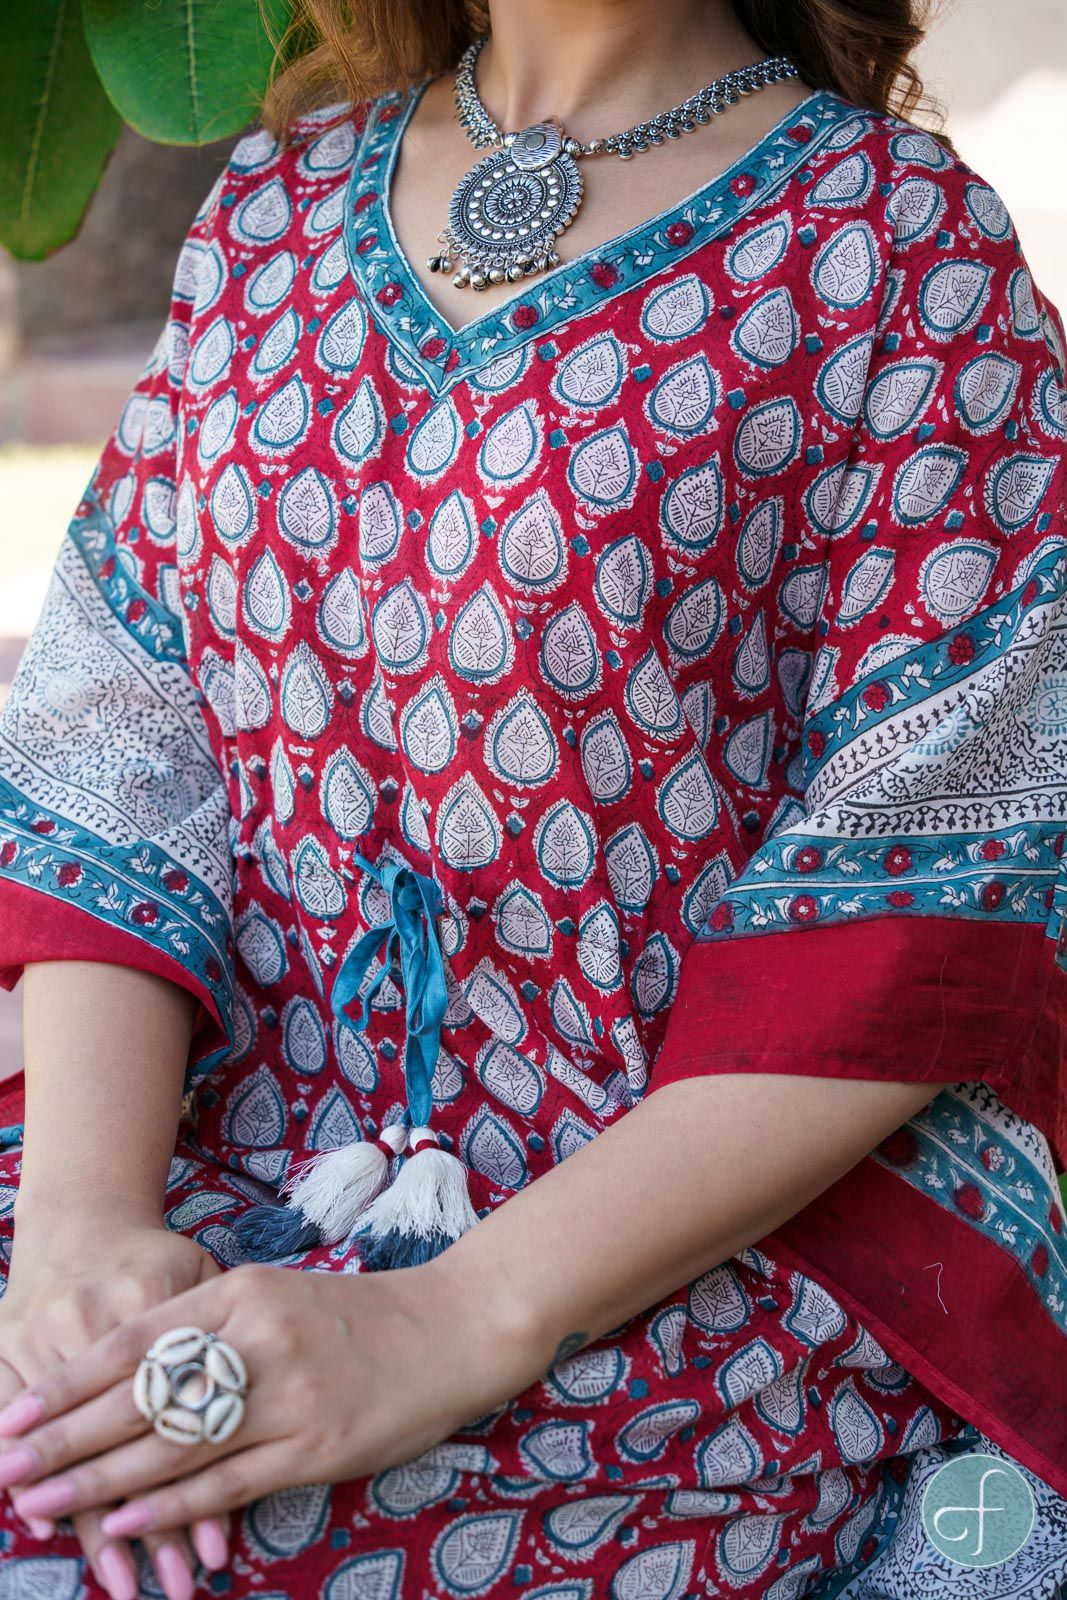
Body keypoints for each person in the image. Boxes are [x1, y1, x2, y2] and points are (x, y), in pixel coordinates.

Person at [0, 1, 1064, 1596]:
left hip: (662, 1265)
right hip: (198, 1149)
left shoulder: (904, 256)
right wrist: (81, 1230)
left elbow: (916, 899)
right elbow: (122, 739)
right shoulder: (277, 203)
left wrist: (441, 1324)